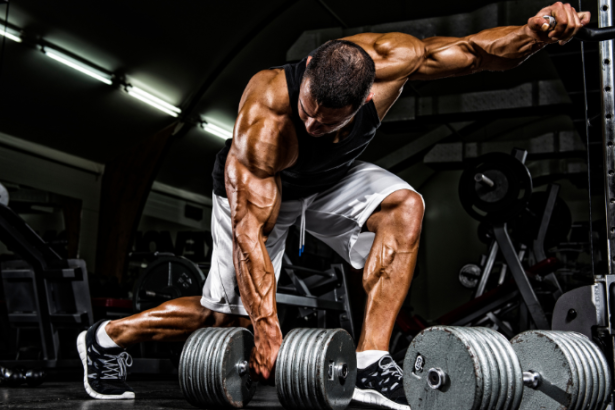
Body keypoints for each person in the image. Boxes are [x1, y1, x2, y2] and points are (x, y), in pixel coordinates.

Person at [77, 3, 589, 409]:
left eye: (329, 122)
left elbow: (476, 53)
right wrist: (267, 329)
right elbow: (249, 233)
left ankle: (371, 363)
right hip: (263, 192)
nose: (314, 124)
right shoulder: (266, 117)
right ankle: (105, 339)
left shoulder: (394, 59)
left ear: (367, 97)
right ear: (307, 71)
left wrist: (535, 35)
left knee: (405, 205)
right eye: (309, 112)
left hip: (329, 180)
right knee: (225, 320)